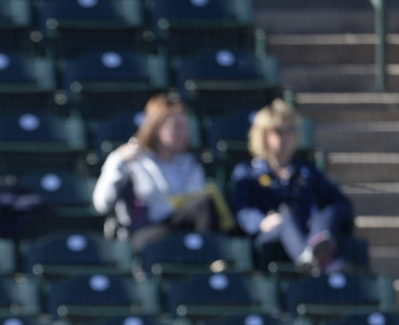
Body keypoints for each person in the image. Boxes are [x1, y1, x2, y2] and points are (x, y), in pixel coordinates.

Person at [230, 98, 354, 275]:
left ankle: (316, 254)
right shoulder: (248, 172)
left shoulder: (306, 170)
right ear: (263, 136)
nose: (287, 137)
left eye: (291, 130)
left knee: (326, 213)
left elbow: (341, 203)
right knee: (286, 217)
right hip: (272, 233)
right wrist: (261, 221)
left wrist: (324, 220)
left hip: (309, 229)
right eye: (280, 131)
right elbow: (243, 211)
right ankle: (312, 260)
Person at [92, 92, 224, 250]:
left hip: (181, 226)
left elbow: (196, 204)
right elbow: (102, 204)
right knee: (163, 235)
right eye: (176, 126)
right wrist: (117, 161)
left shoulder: (191, 162)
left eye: (185, 126)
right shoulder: (131, 160)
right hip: (145, 232)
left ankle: (209, 256)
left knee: (205, 204)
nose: (183, 133)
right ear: (156, 127)